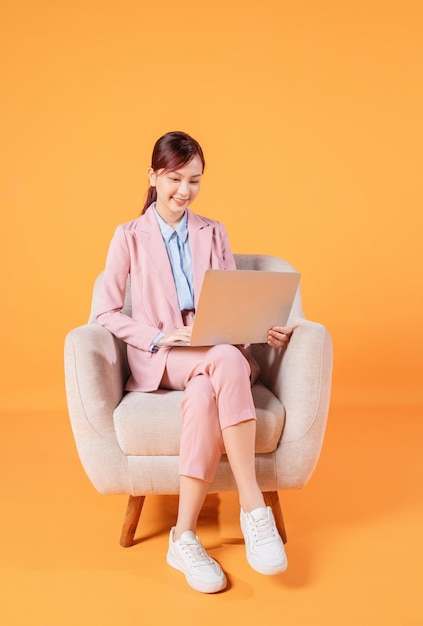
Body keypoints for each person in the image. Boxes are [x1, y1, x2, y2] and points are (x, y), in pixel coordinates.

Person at [96, 131, 293, 593]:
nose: (184, 190)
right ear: (154, 176)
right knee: (223, 360)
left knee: (209, 386)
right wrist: (165, 335)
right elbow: (104, 313)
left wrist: (263, 327)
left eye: (195, 180)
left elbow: (231, 302)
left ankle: (182, 536)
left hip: (214, 352)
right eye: (175, 178)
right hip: (165, 355)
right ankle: (252, 507)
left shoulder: (214, 231)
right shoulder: (128, 237)